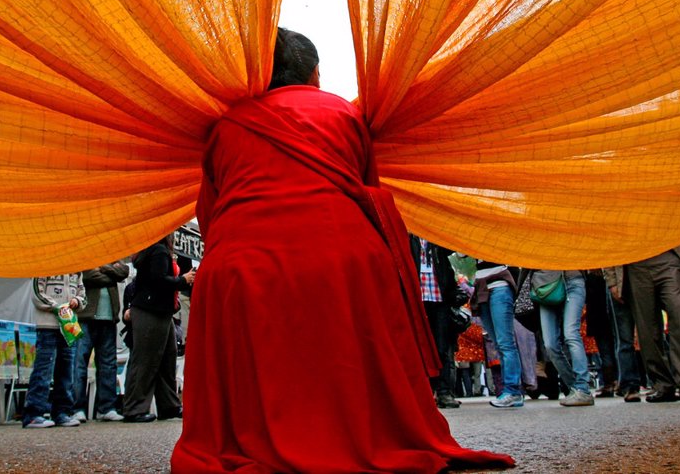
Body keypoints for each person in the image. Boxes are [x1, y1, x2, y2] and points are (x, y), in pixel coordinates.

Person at [171, 28, 513, 472]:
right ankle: (362, 431)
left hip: (243, 259)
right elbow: (366, 187)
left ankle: (258, 435)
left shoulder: (226, 125)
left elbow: (211, 213)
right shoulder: (343, 113)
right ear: (314, 74)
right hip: (342, 251)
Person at [624, 241, 680, 403]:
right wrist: (613, 280)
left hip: (668, 256)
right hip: (634, 263)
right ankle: (662, 384)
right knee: (646, 329)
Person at [122, 236, 193, 423]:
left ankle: (169, 405)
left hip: (161, 311)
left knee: (167, 359)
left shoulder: (151, 250)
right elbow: (159, 281)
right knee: (146, 359)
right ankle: (135, 408)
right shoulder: (159, 251)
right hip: (151, 310)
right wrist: (182, 280)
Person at [23, 272, 86, 428]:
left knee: (66, 371)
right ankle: (34, 413)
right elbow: (37, 294)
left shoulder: (77, 270)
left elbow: (83, 294)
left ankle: (62, 412)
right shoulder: (44, 266)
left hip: (68, 326)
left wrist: (76, 301)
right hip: (47, 325)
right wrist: (56, 307)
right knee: (44, 369)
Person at [410, 234, 464, 409]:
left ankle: (444, 392)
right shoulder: (406, 236)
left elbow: (455, 246)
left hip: (439, 297)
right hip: (416, 299)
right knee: (417, 348)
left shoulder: (437, 236)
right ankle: (423, 392)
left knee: (443, 347)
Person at [72, 260, 129, 422]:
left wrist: (102, 268)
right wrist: (111, 272)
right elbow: (86, 276)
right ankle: (77, 408)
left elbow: (123, 271)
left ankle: (107, 407)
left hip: (109, 318)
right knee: (80, 363)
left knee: (108, 364)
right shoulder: (87, 256)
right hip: (86, 318)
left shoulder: (112, 256)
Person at [535, 270, 594, 407]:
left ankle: (582, 388)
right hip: (545, 284)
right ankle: (574, 388)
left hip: (572, 280)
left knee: (571, 334)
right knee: (549, 344)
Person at [473, 260, 525, 408]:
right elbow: (460, 253)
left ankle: (513, 391)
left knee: (505, 343)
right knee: (498, 343)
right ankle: (509, 391)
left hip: (500, 286)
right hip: (481, 287)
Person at [602, 264, 643, 402]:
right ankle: (629, 385)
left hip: (643, 277)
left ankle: (661, 381)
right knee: (624, 339)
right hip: (620, 282)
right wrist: (612, 283)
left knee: (650, 334)